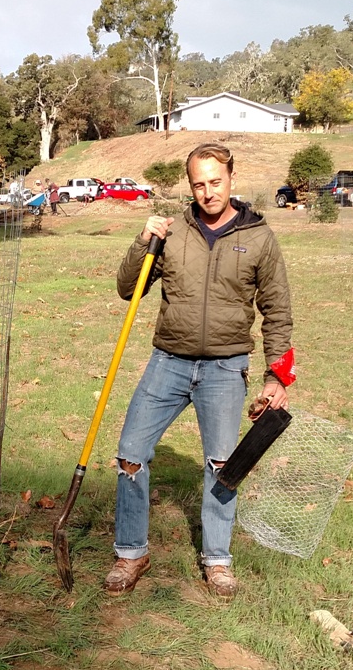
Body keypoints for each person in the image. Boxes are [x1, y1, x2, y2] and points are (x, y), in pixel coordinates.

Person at [105, 142, 295, 600]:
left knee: (223, 466)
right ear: (189, 185)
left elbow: (277, 310)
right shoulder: (172, 232)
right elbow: (128, 290)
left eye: (216, 181)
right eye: (198, 183)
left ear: (230, 179)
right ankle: (131, 553)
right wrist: (142, 240)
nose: (208, 192)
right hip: (168, 362)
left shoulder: (261, 238)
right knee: (131, 453)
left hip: (226, 368)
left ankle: (217, 560)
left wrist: (276, 376)